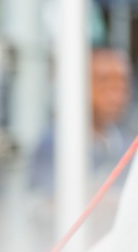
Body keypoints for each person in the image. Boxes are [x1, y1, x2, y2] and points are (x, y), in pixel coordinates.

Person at [29, 47, 134, 194]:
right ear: (77, 86)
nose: (116, 92)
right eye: (104, 80)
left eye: (122, 82)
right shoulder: (55, 146)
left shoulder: (126, 145)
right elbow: (42, 204)